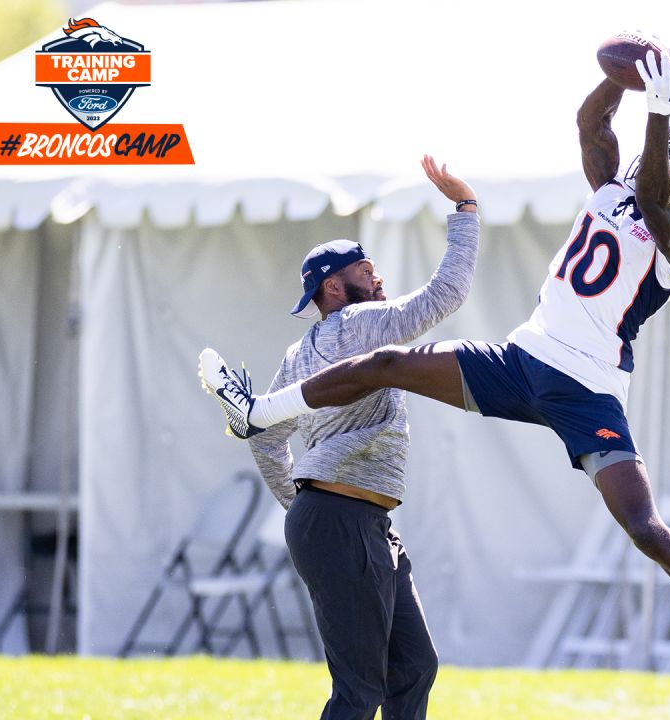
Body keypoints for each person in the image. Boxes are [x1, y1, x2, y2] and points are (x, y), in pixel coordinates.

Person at [201, 53, 670, 704]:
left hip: (586, 388)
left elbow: (657, 200)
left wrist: (658, 111)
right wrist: (622, 81)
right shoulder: (615, 192)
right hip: (522, 359)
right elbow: (591, 122)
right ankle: (259, 412)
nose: (662, 166)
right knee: (388, 367)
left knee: (643, 526)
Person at [199, 155, 480, 720]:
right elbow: (443, 296)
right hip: (342, 520)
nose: (378, 279)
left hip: (353, 521)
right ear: (334, 285)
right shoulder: (357, 324)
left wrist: (299, 504)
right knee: (360, 691)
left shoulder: (297, 353)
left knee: (412, 668)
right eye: (367, 270)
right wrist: (466, 209)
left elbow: (265, 438)